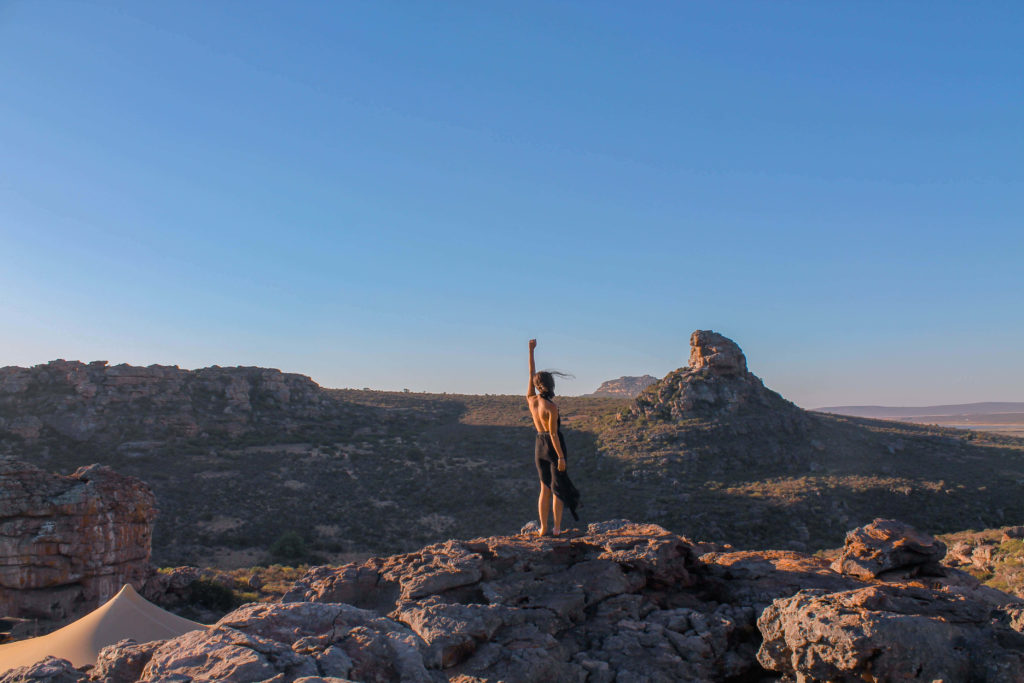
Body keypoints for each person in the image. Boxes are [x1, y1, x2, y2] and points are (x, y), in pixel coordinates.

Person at [526, 339, 580, 536]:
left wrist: (531, 351)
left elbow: (531, 373)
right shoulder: (551, 407)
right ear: (550, 384)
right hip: (552, 446)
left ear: (536, 385)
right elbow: (554, 434)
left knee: (544, 488)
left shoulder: (531, 400)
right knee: (558, 487)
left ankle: (543, 528)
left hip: (538, 445)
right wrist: (561, 457)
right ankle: (557, 529)